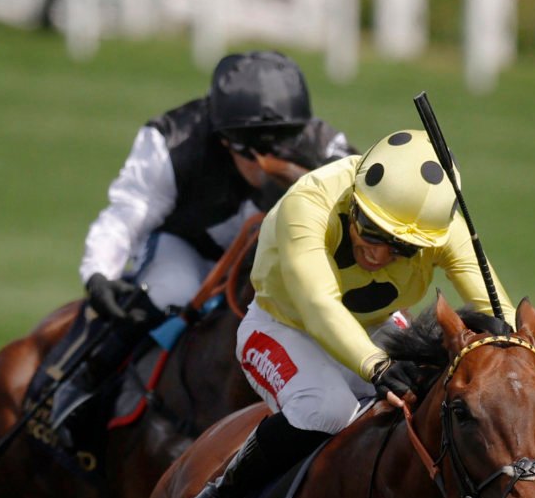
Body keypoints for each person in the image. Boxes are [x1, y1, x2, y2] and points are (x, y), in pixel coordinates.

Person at [177, 127, 503, 498]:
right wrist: (377, 366)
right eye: (371, 230)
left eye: (403, 248)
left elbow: (495, 308)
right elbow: (317, 305)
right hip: (284, 326)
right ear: (355, 200)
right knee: (326, 409)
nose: (377, 250)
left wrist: (512, 353)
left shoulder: (443, 228)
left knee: (447, 403)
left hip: (379, 327)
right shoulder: (308, 203)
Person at [48, 51, 353, 430]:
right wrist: (98, 272)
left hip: (267, 261)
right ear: (228, 142)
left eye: (285, 144)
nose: (275, 158)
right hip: (187, 248)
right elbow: (129, 212)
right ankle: (82, 385)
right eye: (261, 149)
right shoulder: (172, 141)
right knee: (169, 291)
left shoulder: (325, 147)